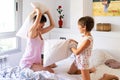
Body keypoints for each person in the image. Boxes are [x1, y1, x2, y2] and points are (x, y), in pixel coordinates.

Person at [19, 8, 55, 73]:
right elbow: (35, 23)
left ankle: (38, 65)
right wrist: (38, 12)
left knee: (53, 65)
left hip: (36, 60)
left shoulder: (39, 32)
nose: (43, 25)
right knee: (50, 70)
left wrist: (48, 12)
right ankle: (37, 66)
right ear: (37, 22)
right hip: (28, 62)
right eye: (42, 24)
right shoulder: (31, 33)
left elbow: (52, 25)